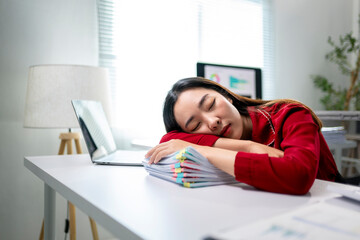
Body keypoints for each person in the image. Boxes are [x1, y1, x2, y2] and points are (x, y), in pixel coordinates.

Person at [145, 77, 346, 195]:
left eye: (211, 105)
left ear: (227, 95)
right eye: (196, 124)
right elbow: (168, 140)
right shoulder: (194, 133)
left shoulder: (290, 113)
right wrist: (251, 148)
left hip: (330, 202)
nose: (212, 122)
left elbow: (298, 176)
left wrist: (202, 149)